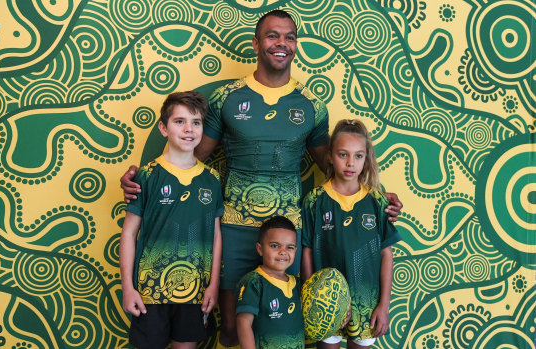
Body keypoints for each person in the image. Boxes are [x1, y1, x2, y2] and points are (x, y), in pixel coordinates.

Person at [121, 10, 403, 347]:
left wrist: (375, 194)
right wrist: (144, 179)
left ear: (295, 45)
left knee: (287, 329)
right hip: (234, 229)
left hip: (289, 232)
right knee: (229, 330)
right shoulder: (226, 98)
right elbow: (190, 158)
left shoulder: (312, 104)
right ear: (257, 43)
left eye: (289, 37)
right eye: (273, 36)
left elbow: (336, 166)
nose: (282, 43)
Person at [119, 91, 223, 349]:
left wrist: (213, 285)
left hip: (195, 292)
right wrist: (127, 288)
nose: (189, 129)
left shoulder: (212, 179)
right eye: (180, 121)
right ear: (163, 128)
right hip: (149, 290)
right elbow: (129, 233)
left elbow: (216, 235)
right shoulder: (147, 176)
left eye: (196, 122)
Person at [301, 119, 402, 349]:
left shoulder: (377, 201)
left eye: (358, 156)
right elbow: (306, 252)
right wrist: (311, 299)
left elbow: (387, 255)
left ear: (366, 159)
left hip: (365, 303)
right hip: (326, 304)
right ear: (330, 156)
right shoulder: (314, 201)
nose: (350, 162)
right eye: (343, 154)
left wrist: (384, 305)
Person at [235, 216, 304, 349]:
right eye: (275, 246)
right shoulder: (254, 282)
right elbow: (243, 322)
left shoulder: (299, 284)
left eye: (290, 247)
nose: (283, 252)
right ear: (260, 249)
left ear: (296, 250)